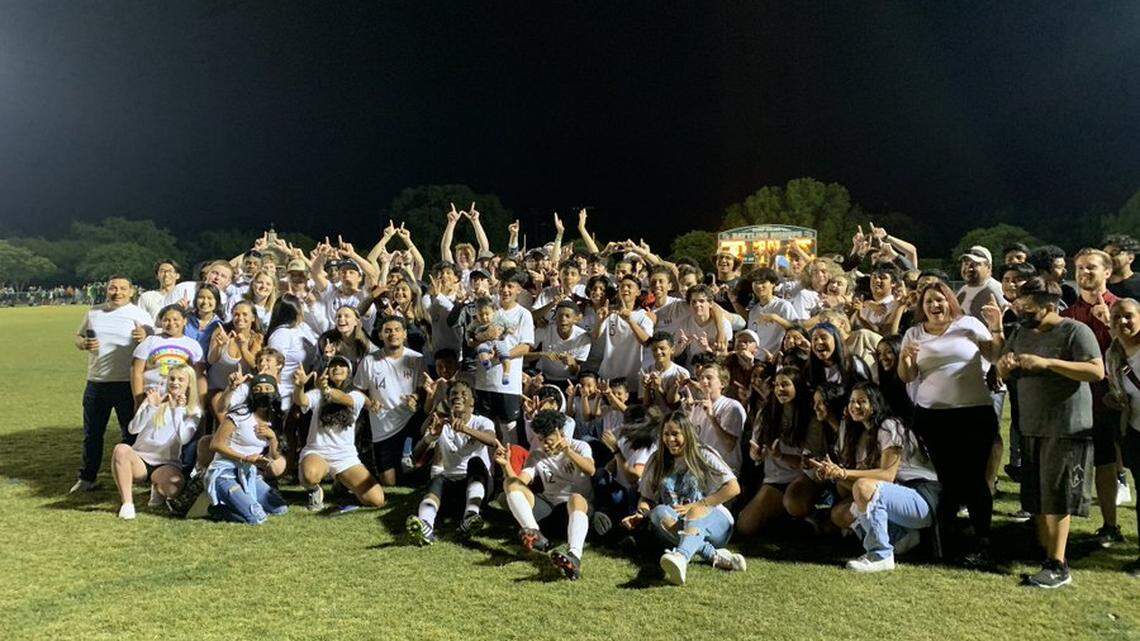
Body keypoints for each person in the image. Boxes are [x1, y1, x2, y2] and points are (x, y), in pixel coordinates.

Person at [998, 277, 1103, 588]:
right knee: (1038, 496)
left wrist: (1047, 363)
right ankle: (1045, 553)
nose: (1022, 312)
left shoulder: (1074, 331)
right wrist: (1004, 365)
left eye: (1028, 308)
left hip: (1066, 425)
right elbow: (1004, 368)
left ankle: (1058, 564)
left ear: (1049, 306)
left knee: (1058, 495)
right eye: (1020, 306)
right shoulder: (1021, 331)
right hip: (1032, 423)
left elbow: (1096, 370)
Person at [899, 280, 1004, 566]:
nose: (935, 305)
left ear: (950, 302)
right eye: (929, 301)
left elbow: (994, 355)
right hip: (933, 417)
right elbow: (907, 376)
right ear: (922, 307)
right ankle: (945, 540)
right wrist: (907, 359)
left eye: (940, 300)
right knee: (948, 478)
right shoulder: (914, 333)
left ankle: (983, 539)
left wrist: (996, 326)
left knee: (975, 478)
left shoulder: (968, 324)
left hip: (973, 414)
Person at [809, 382, 940, 573]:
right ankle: (900, 538)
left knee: (863, 487)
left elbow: (887, 475)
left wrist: (844, 472)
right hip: (900, 496)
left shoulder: (890, 425)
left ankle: (881, 555)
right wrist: (833, 474)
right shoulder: (863, 434)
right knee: (840, 512)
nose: (855, 406)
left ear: (875, 404)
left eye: (862, 401)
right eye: (852, 401)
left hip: (922, 496)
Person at [622, 411, 746, 585]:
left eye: (675, 434)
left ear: (686, 433)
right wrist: (641, 513)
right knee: (658, 512)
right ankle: (713, 555)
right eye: (666, 434)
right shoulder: (656, 460)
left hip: (714, 520)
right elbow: (647, 498)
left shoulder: (704, 454)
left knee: (695, 511)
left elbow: (733, 488)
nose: (670, 439)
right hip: (678, 524)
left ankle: (681, 557)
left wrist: (700, 504)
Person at [1060, 248, 1126, 547]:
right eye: (1080, 268)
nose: (1084, 273)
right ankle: (1100, 525)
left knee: (1118, 462)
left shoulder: (1124, 309)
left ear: (1107, 273)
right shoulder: (1068, 314)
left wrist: (1112, 324)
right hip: (1079, 402)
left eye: (1091, 268)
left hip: (1119, 402)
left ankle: (1113, 525)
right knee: (1094, 463)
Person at [72, 275, 155, 493]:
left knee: (131, 433)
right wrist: (84, 343)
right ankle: (87, 478)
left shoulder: (139, 314)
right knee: (92, 434)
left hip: (127, 383)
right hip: (96, 382)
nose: (117, 292)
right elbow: (78, 337)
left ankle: (134, 474)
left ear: (131, 291)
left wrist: (146, 333)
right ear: (107, 290)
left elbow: (155, 337)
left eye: (122, 288)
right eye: (113, 288)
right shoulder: (94, 312)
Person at [495, 409, 595, 580]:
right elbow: (519, 483)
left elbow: (591, 470)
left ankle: (574, 556)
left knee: (576, 498)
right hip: (548, 509)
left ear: (561, 434)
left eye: (548, 441)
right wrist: (506, 466)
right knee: (509, 484)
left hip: (574, 511)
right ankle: (534, 533)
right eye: (540, 440)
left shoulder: (580, 446)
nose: (544, 446)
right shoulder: (536, 456)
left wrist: (568, 452)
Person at [405, 381, 499, 544]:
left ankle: (470, 516)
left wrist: (465, 429)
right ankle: (426, 525)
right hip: (451, 487)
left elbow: (492, 440)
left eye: (464, 394)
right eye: (453, 394)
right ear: (448, 401)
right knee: (438, 479)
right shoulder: (442, 425)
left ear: (472, 401)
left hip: (479, 486)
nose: (458, 397)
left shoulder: (482, 422)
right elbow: (414, 458)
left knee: (475, 462)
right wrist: (431, 436)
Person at [736, 366, 824, 536]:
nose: (779, 389)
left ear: (797, 386)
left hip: (803, 477)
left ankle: (813, 515)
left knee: (793, 503)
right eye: (776, 385)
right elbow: (755, 450)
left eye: (785, 385)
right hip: (775, 479)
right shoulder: (767, 412)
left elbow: (811, 464)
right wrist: (757, 454)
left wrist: (781, 456)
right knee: (745, 526)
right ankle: (784, 518)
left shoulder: (810, 418)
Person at [294, 356, 385, 511]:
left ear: (349, 371)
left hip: (345, 456)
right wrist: (299, 387)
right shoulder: (317, 393)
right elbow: (301, 401)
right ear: (327, 371)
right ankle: (314, 491)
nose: (337, 368)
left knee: (376, 500)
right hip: (317, 452)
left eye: (342, 366)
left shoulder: (357, 395)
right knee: (310, 476)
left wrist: (327, 390)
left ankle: (342, 482)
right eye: (333, 366)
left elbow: (345, 399)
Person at [112, 365, 201, 519]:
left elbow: (184, 438)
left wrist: (178, 410)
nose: (175, 382)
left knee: (173, 489)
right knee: (121, 450)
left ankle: (157, 486)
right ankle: (127, 504)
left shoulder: (193, 411)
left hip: (166, 463)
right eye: (172, 378)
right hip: (140, 459)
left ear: (189, 384)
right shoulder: (155, 398)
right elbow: (133, 429)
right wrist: (151, 407)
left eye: (181, 379)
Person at [205, 374, 288, 524]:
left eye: (268, 388)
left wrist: (273, 438)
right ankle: (218, 510)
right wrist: (244, 458)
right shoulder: (240, 413)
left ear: (275, 392)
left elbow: (275, 456)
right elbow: (215, 444)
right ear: (252, 393)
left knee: (280, 508)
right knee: (257, 518)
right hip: (225, 473)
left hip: (249, 473)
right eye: (258, 389)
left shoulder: (274, 418)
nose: (263, 392)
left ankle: (234, 503)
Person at [354, 315, 425, 486]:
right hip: (382, 426)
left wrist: (415, 397)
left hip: (409, 420)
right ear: (380, 335)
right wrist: (370, 403)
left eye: (397, 330)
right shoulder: (370, 361)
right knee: (389, 483)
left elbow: (423, 388)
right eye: (388, 331)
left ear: (405, 334)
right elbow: (357, 390)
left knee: (417, 471)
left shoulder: (417, 358)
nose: (393, 334)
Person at [1104, 298, 1140, 577]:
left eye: (1128, 316)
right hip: (1136, 431)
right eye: (1116, 318)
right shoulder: (1114, 353)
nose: (1122, 322)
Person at [130, 304, 205, 407]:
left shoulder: (193, 345)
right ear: (161, 322)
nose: (171, 323)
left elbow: (198, 376)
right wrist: (138, 400)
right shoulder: (150, 341)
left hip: (180, 400)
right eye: (166, 320)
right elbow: (137, 372)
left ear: (184, 321)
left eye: (175, 319)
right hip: (152, 398)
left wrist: (197, 402)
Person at [684, 362, 747, 474]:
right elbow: (690, 440)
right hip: (699, 469)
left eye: (709, 378)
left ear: (722, 383)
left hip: (723, 472)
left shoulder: (732, 406)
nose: (703, 381)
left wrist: (712, 418)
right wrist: (688, 415)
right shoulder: (697, 407)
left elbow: (729, 445)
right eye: (701, 378)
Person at [1105, 234, 1140, 299]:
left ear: (1130, 258)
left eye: (1114, 253)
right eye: (1105, 254)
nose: (1108, 257)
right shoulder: (1099, 283)